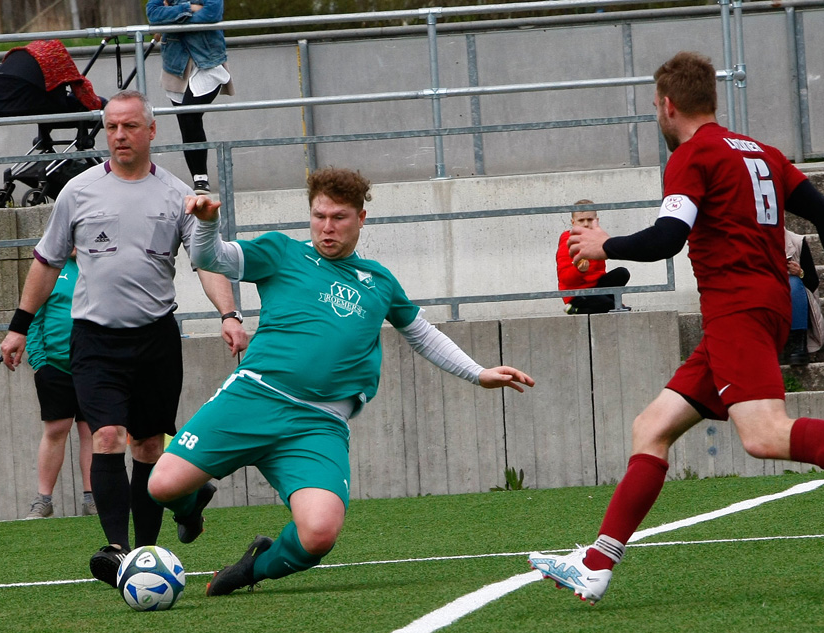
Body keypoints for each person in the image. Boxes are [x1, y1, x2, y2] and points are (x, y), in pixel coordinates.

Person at [527, 52, 824, 605]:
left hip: (738, 310)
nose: (657, 115)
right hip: (759, 308)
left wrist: (606, 245)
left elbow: (669, 237)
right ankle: (598, 563)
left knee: (764, 435)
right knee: (652, 426)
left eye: (655, 106)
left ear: (668, 105)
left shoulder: (691, 154)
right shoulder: (761, 152)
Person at [146, 167, 535, 596]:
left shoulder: (378, 281)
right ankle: (189, 507)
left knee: (319, 535)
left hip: (318, 423)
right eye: (319, 216)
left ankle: (254, 568)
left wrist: (478, 373)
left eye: (339, 217)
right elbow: (209, 258)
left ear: (362, 219)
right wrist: (206, 223)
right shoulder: (281, 252)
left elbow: (420, 332)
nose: (327, 227)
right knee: (162, 486)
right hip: (254, 397)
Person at [0, 90, 248, 588]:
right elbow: (47, 262)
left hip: (155, 338)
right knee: (106, 435)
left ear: (151, 131)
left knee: (149, 445)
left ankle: (150, 547)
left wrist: (229, 313)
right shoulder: (78, 191)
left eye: (130, 126)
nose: (119, 135)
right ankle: (116, 548)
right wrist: (18, 326)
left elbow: (207, 261)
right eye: (111, 126)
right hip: (93, 338)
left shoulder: (176, 195)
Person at [23, 252, 97, 519]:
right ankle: (44, 500)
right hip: (54, 366)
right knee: (56, 430)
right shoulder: (50, 268)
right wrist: (39, 361)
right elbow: (33, 316)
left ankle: (92, 498)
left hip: (93, 365)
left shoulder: (98, 266)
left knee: (91, 431)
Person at [146, 0, 233, 195]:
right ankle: (198, 179)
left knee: (189, 114)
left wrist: (172, 15)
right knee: (186, 123)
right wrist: (189, 9)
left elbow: (212, 14)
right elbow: (153, 14)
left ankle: (201, 178)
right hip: (176, 64)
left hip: (208, 61)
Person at [556, 201, 631, 314]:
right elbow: (565, 279)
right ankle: (578, 309)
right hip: (578, 293)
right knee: (611, 306)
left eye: (590, 220)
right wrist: (579, 270)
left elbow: (600, 272)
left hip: (595, 288)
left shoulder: (597, 238)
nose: (586, 224)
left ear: (597, 221)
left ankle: (602, 304)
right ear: (573, 222)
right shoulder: (568, 240)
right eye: (581, 220)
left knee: (622, 273)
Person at [784, 228, 824, 366]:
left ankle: (799, 342)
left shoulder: (797, 242)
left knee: (794, 283)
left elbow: (813, 282)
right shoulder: (752, 242)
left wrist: (800, 273)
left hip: (794, 298)